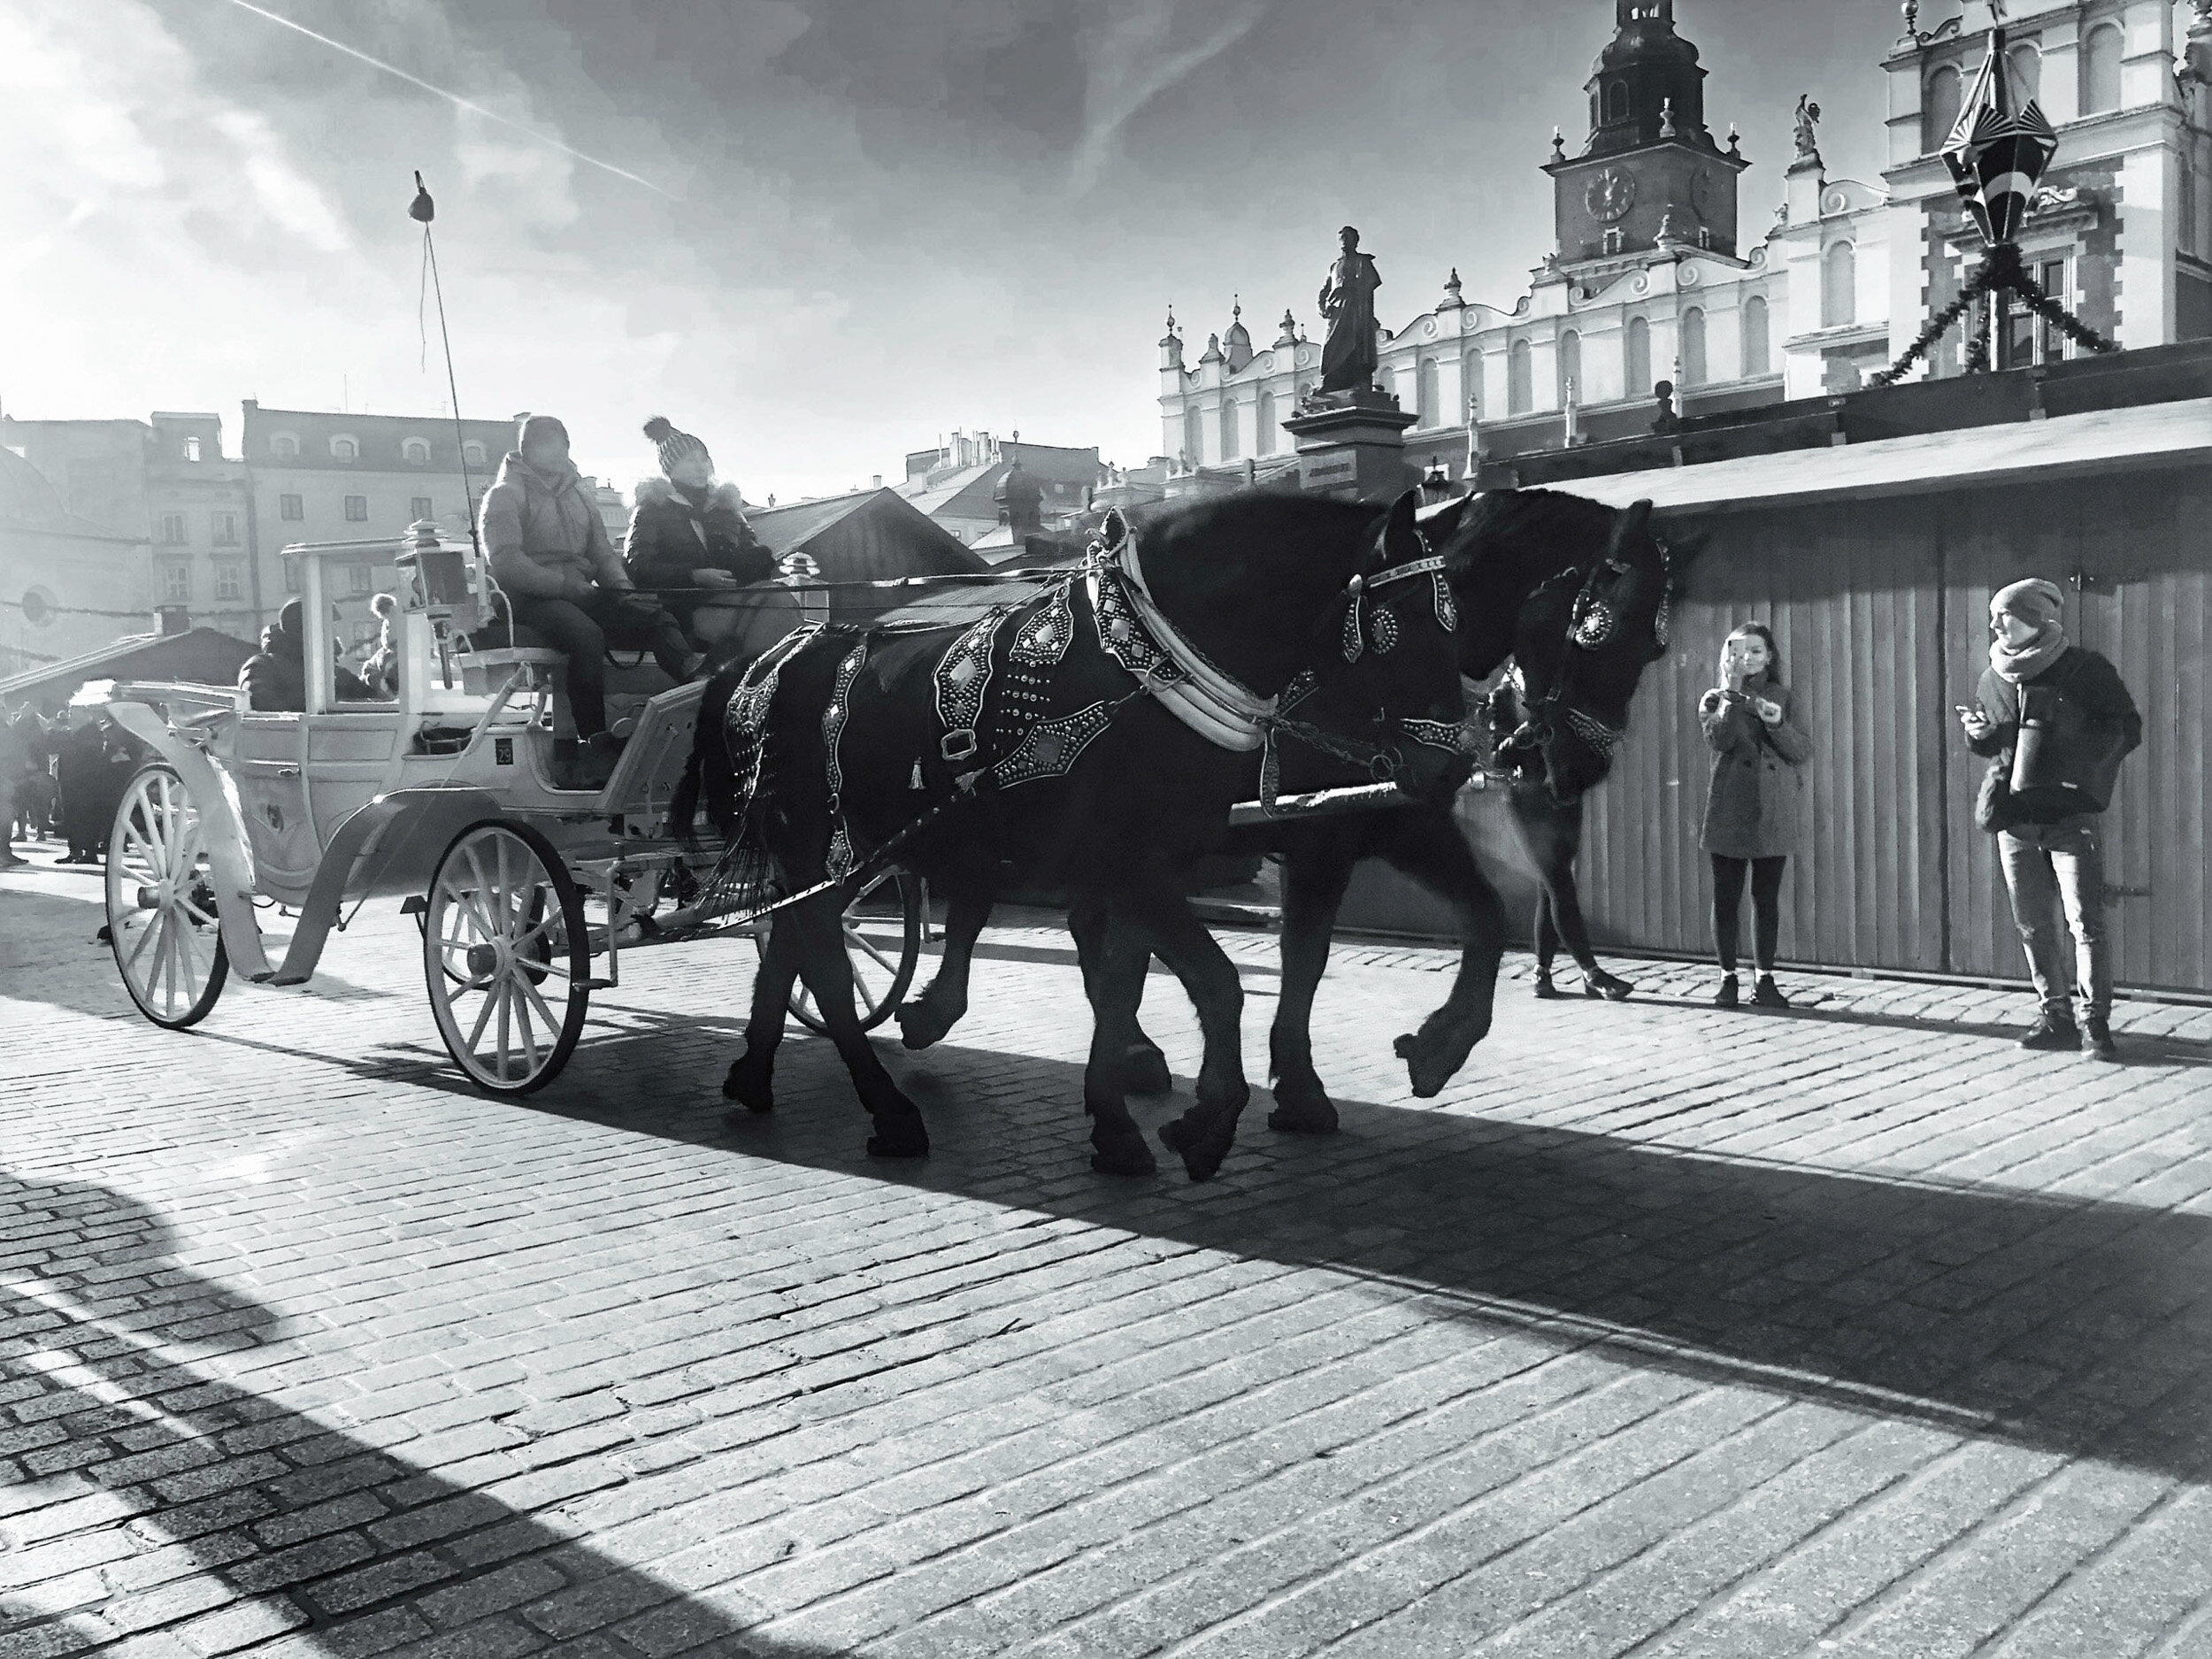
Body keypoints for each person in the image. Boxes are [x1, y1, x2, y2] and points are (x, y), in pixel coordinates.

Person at [1959, 578, 2141, 1059]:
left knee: (2085, 922)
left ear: (2037, 619)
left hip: (2068, 813)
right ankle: (2054, 1014)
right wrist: (1978, 734)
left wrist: (2074, 761)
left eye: (2007, 614)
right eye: (1994, 614)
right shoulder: (1992, 676)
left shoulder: (2084, 669)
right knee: (2033, 923)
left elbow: (2127, 728)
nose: (1995, 623)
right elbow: (1991, 744)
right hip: (2015, 816)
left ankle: (2094, 1023)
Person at [480, 414, 700, 784]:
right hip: (526, 599)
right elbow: (506, 562)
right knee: (585, 636)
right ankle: (594, 742)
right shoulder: (505, 495)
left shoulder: (581, 497)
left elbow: (602, 554)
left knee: (652, 615)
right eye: (546, 444)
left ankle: (695, 679)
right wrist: (562, 586)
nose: (557, 451)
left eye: (562, 443)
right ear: (527, 450)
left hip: (580, 591)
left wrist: (624, 592)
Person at [1698, 622, 1810, 1009]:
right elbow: (1719, 739)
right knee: (1726, 897)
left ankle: (1765, 980)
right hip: (1729, 804)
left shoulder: (1783, 695)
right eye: (1740, 651)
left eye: (1757, 651)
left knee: (1766, 898)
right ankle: (1727, 978)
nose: (1749, 658)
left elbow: (1800, 750)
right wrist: (1731, 692)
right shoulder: (1715, 697)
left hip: (1772, 806)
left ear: (1770, 656)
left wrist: (1775, 722)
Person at [622, 416, 775, 644]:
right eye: (690, 460)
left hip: (734, 601)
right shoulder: (653, 510)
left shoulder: (726, 509)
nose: (701, 467)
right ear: (670, 468)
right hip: (684, 608)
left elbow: (748, 547)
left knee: (773, 598)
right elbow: (639, 566)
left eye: (704, 459)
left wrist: (750, 563)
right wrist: (694, 575)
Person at [239, 600, 373, 713]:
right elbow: (264, 709)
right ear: (304, 630)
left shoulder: (334, 672)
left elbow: (372, 700)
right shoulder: (262, 666)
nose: (334, 634)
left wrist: (383, 680)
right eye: (326, 627)